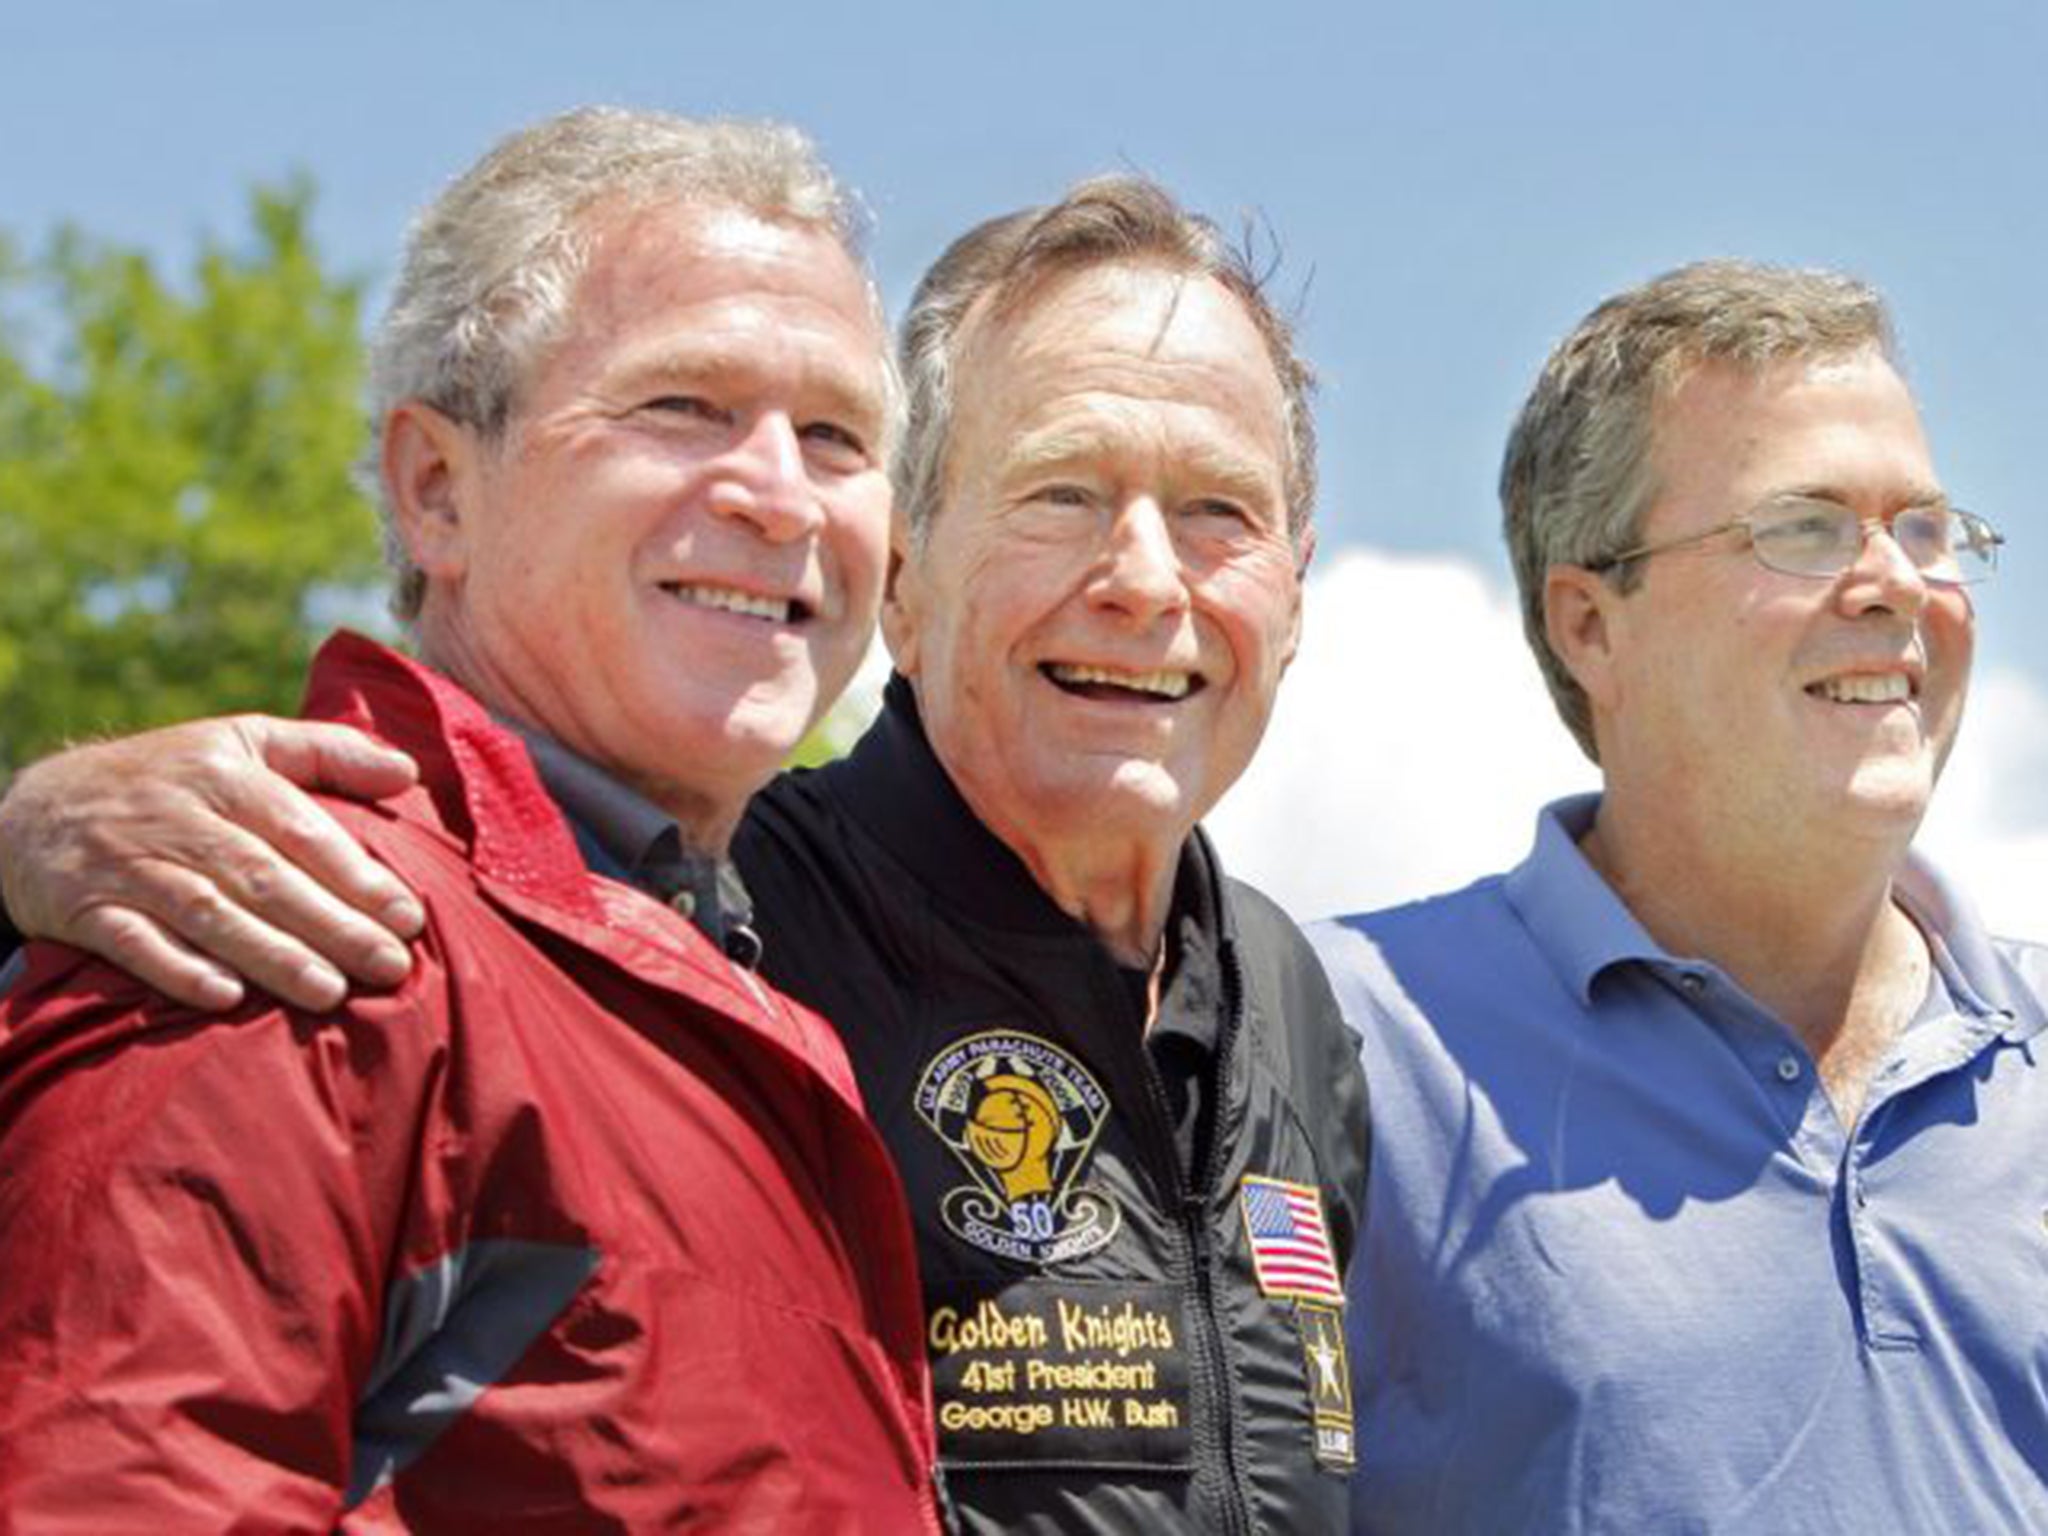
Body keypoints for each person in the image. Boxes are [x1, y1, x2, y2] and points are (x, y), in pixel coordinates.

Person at [0, 179, 1370, 1531]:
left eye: (1219, 513)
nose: (1145, 578)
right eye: (1063, 492)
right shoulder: (395, 923)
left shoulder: (1294, 1010)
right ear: (907, 575)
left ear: (1296, 586)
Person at [0, 107, 946, 1530]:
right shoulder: (281, 926)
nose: (777, 493)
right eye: (681, 405)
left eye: (836, 436)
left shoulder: (745, 984)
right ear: (436, 488)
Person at [1312, 261, 2048, 1532]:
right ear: (1591, 625)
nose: (1893, 582)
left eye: (1923, 527)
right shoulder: (1343, 1036)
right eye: (1802, 527)